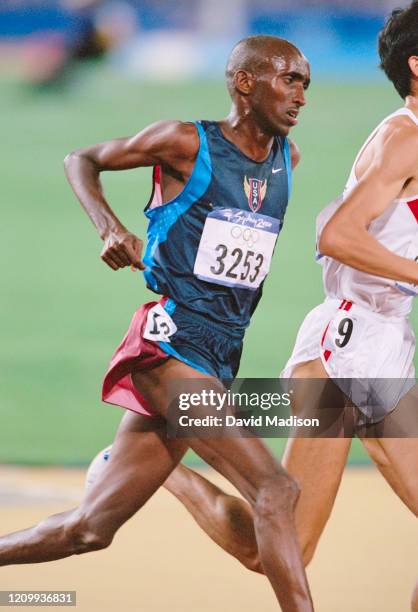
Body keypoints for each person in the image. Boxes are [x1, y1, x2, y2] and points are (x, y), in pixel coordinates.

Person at [83, 3, 418, 606]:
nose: (302, 95)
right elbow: (337, 235)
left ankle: (163, 475)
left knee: (276, 549)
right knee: (280, 523)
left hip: (373, 338)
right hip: (354, 347)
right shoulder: (405, 137)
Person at [0, 36, 314, 611]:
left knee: (90, 531)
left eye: (305, 84)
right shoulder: (185, 142)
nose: (300, 96)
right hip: (170, 345)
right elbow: (82, 159)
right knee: (275, 488)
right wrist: (110, 227)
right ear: (244, 83)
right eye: (288, 80)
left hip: (221, 354)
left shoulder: (286, 161)